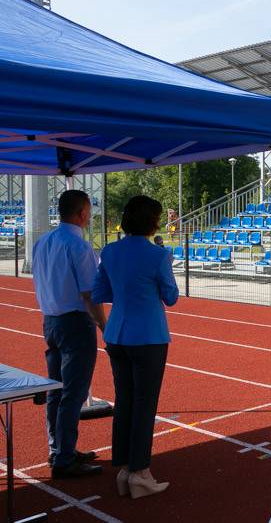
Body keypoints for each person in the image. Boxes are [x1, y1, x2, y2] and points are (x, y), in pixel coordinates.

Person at [92, 195, 178, 499]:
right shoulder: (157, 255)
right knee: (144, 405)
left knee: (124, 402)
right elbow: (171, 297)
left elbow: (100, 291)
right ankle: (140, 472)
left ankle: (125, 469)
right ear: (152, 221)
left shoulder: (110, 251)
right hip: (148, 337)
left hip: (117, 333)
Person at [32, 190, 106, 479]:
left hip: (50, 321)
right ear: (83, 213)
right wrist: (104, 326)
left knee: (55, 390)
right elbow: (89, 293)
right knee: (73, 393)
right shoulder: (79, 246)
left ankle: (58, 448)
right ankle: (64, 457)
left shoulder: (42, 242)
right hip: (75, 323)